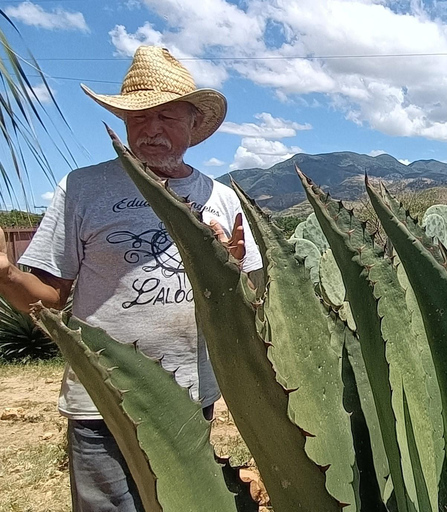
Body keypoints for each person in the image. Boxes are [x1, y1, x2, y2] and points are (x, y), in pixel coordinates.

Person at [0, 46, 263, 511]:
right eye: (138, 117)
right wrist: (5, 275)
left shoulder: (219, 197)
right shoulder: (82, 188)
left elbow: (252, 305)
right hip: (103, 396)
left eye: (165, 116)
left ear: (192, 124)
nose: (151, 129)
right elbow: (48, 298)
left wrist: (230, 273)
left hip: (188, 397)